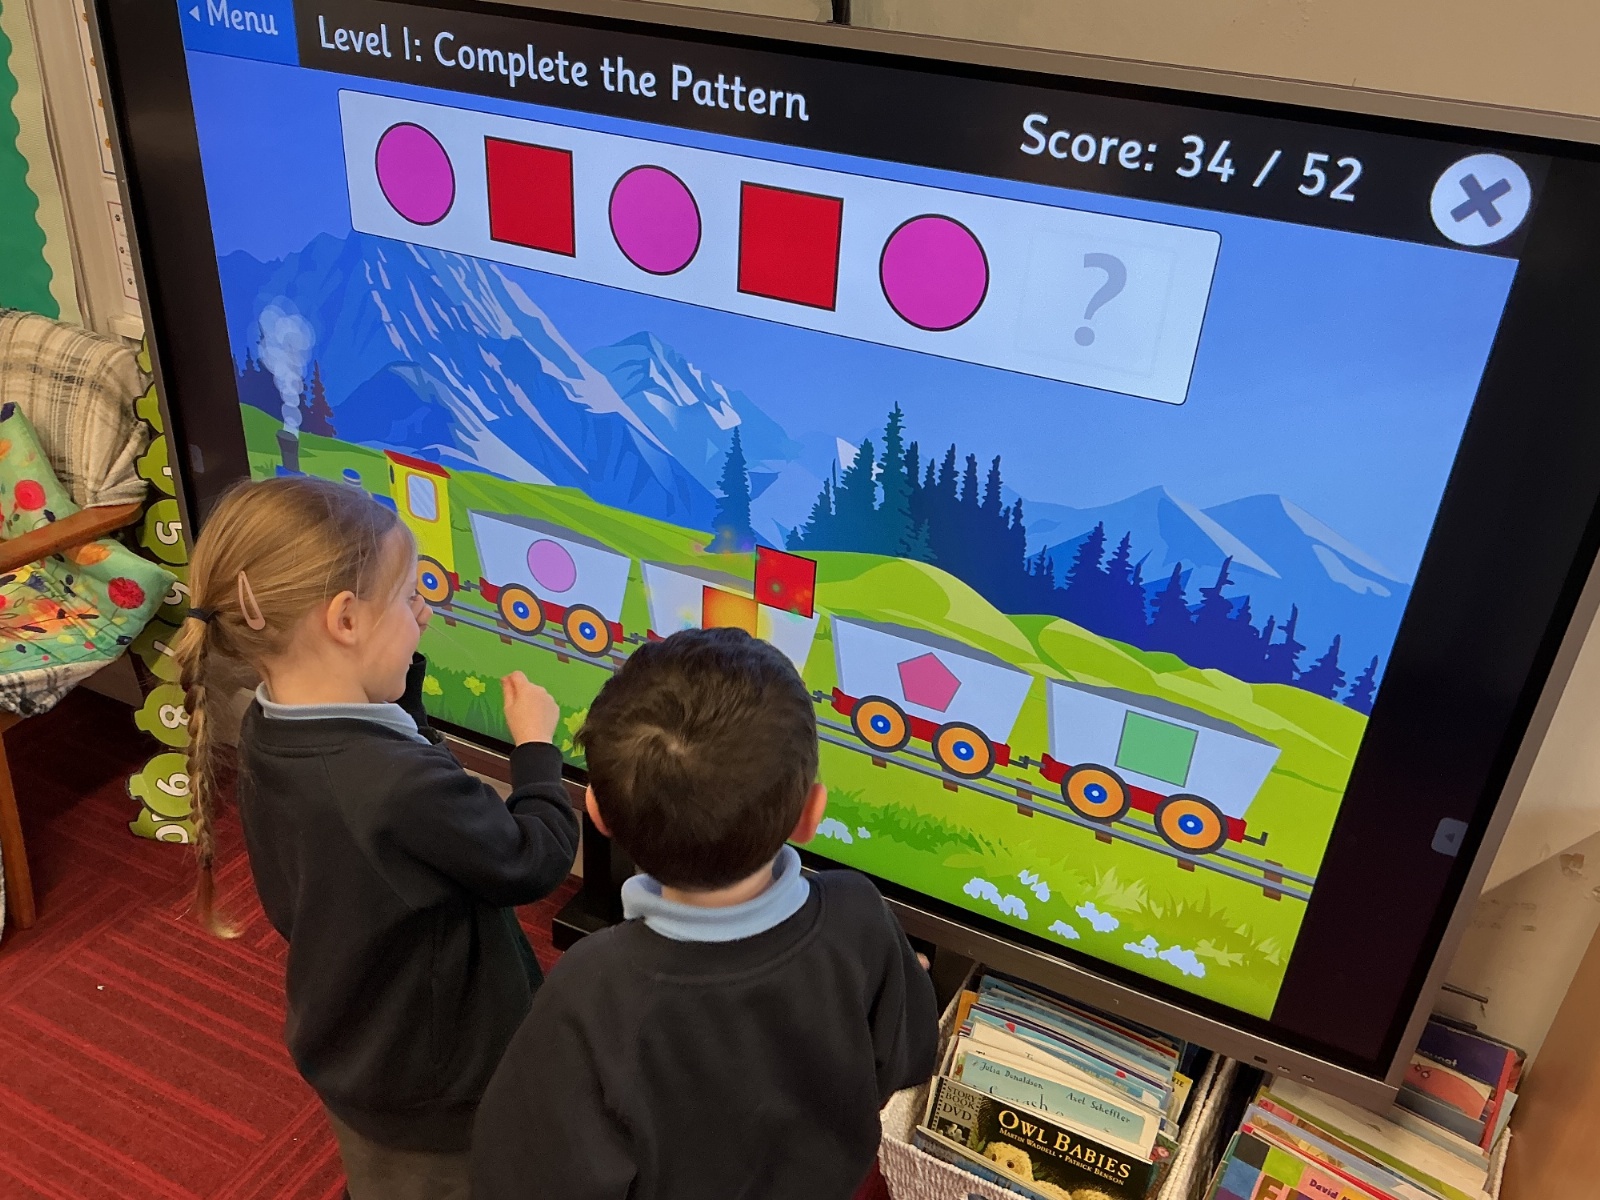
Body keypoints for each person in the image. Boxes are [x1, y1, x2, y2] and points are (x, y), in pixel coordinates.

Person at [169, 476, 579, 1200]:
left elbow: (387, 795)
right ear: (346, 620)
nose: (423, 616)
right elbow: (530, 859)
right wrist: (537, 752)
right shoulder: (396, 788)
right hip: (442, 1084)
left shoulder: (268, 726)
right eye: (408, 597)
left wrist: (400, 685)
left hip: (359, 1045)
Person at [470, 626, 940, 1200]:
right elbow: (909, 1056)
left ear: (597, 813)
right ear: (810, 814)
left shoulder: (591, 987)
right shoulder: (859, 914)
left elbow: (524, 1174)